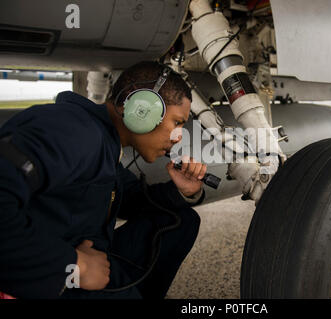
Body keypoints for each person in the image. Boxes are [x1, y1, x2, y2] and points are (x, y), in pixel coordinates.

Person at [0, 61, 207, 299]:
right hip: (43, 269)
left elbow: (132, 199)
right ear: (141, 108)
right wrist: (75, 266)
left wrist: (181, 191)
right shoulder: (74, 131)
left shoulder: (103, 142)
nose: (178, 137)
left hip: (84, 256)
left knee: (179, 220)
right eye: (177, 122)